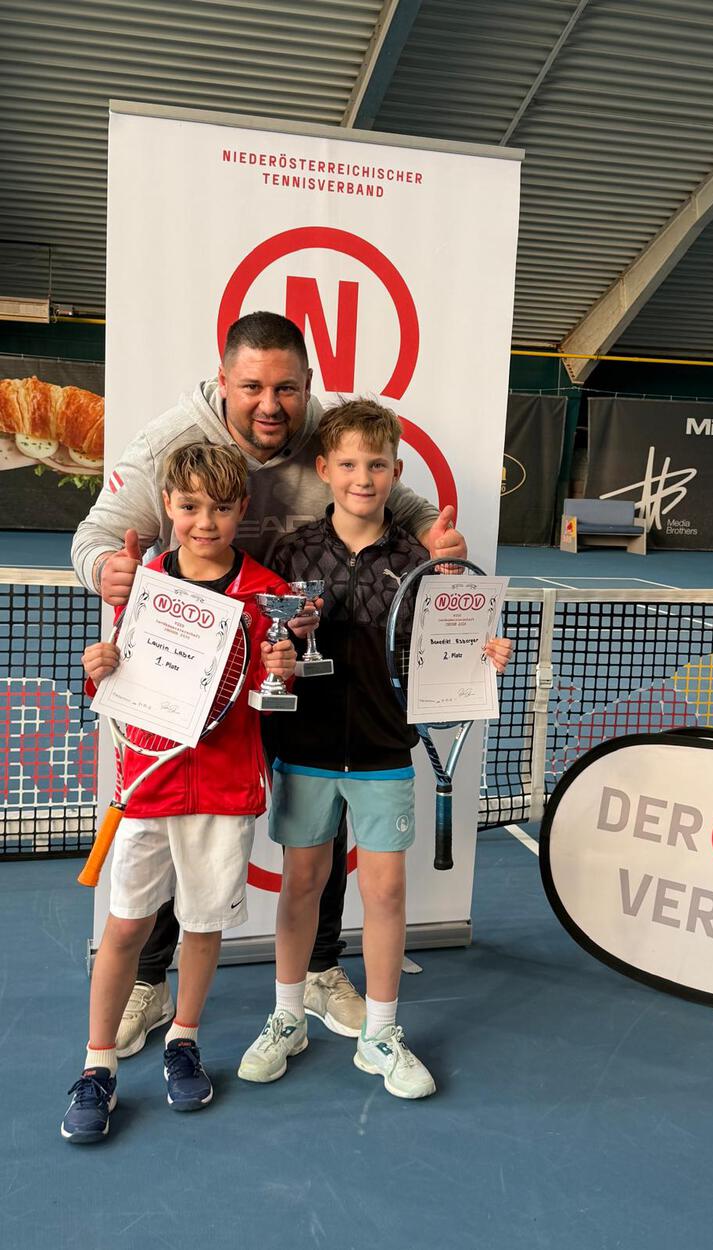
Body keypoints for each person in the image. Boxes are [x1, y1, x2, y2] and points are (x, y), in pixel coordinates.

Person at [71, 311, 467, 1057]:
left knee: (321, 829)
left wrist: (434, 540)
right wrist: (108, 570)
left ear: (308, 386)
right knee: (175, 815)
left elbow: (398, 499)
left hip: (288, 661)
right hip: (187, 670)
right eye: (251, 386)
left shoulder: (328, 434)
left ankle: (318, 970)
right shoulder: (165, 443)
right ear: (223, 380)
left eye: (286, 388)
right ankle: (151, 983)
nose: (270, 403)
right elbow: (95, 538)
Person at [237, 399, 511, 1098]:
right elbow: (270, 646)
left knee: (386, 891)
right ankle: (287, 1016)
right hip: (305, 748)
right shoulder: (291, 554)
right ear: (324, 470)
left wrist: (483, 655)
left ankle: (382, 1033)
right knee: (302, 883)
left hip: (385, 750)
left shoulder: (422, 561)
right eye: (350, 464)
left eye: (378, 465)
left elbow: (441, 655)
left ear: (397, 470)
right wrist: (280, 652)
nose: (364, 478)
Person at [62, 444, 296, 1142]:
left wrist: (283, 670)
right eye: (190, 507)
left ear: (242, 509)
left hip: (222, 791)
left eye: (221, 508)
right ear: (168, 505)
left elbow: (266, 693)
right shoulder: (142, 584)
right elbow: (120, 679)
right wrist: (97, 665)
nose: (205, 522)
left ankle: (183, 1039)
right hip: (149, 784)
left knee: (201, 924)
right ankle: (97, 1063)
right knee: (125, 927)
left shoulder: (265, 594)